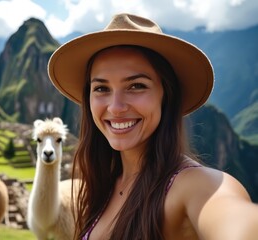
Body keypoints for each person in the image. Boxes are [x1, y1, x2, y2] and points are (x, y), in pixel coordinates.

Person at [47, 13, 258, 240]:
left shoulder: (192, 185)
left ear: (166, 95)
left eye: (136, 86)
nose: (115, 107)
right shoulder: (101, 186)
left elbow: (234, 220)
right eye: (101, 88)